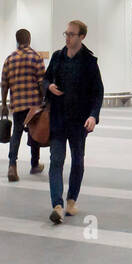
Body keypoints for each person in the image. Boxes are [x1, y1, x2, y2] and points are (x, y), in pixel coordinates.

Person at [44, 20, 104, 224]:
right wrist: (49, 86)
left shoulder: (89, 62)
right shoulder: (58, 57)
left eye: (72, 34)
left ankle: (71, 200)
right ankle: (57, 205)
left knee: (77, 161)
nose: (67, 38)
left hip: (79, 122)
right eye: (66, 34)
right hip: (58, 119)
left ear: (82, 37)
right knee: (56, 160)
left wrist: (93, 116)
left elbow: (98, 92)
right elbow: (44, 79)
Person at [1, 28, 47, 181]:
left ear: (17, 40)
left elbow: (4, 84)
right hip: (33, 104)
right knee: (34, 132)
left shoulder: (10, 59)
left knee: (17, 133)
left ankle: (12, 166)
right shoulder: (36, 57)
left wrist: (3, 103)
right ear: (29, 39)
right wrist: (44, 99)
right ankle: (34, 164)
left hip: (18, 104)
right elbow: (42, 82)